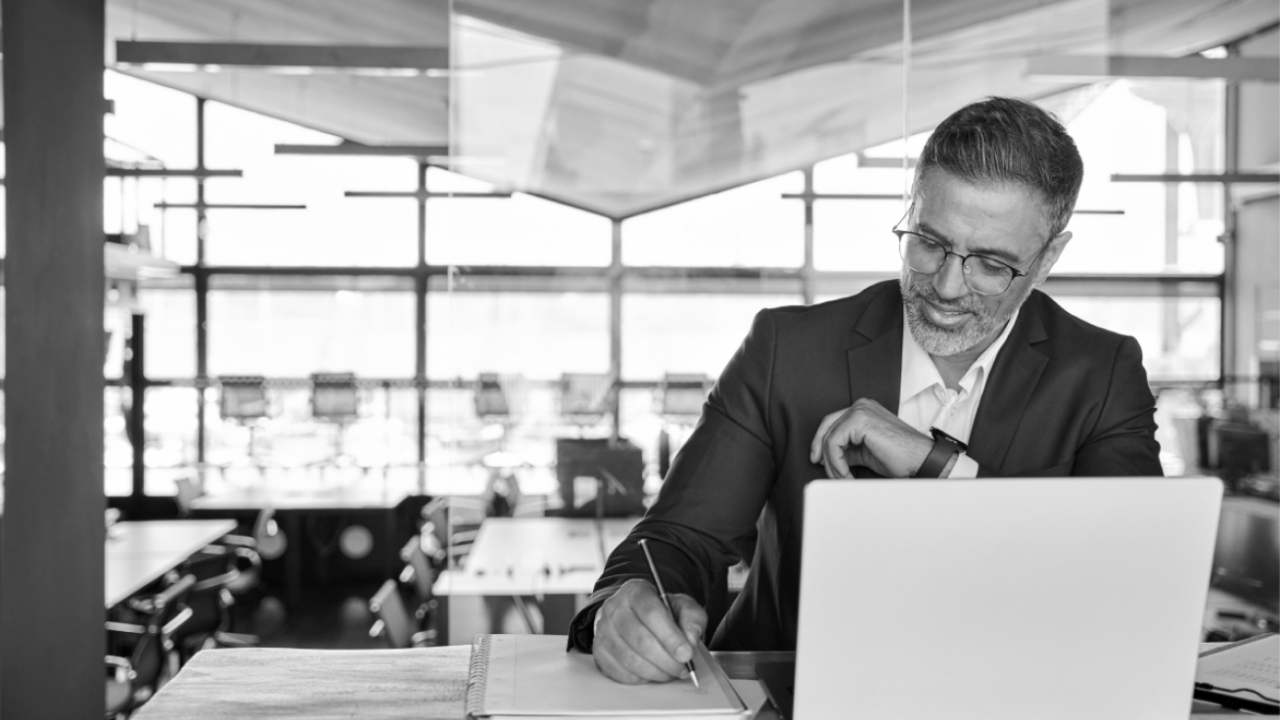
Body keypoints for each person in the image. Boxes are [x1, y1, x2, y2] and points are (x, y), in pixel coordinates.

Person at [569, 96, 1163, 684]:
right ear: (912, 206)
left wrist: (937, 465)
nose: (948, 286)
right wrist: (620, 606)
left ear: (1049, 256)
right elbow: (679, 537)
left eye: (990, 264)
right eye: (929, 242)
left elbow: (1126, 580)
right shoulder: (787, 349)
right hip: (785, 694)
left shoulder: (1102, 372)